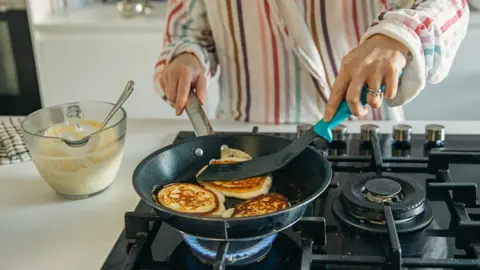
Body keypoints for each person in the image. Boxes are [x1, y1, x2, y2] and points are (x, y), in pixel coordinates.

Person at [153, 0, 468, 124]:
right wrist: (186, 57)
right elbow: (189, 31)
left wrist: (398, 36)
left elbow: (449, 5)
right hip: (245, 133)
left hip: (366, 131)